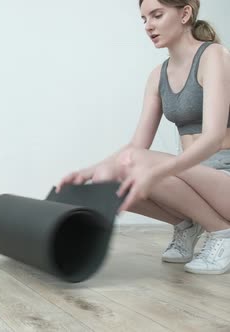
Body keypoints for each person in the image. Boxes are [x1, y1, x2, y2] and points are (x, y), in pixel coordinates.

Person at [56, 0, 230, 275]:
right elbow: (137, 146)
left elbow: (213, 136)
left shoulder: (214, 56)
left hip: (224, 178)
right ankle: (188, 224)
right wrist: (88, 171)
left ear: (185, 13)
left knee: (139, 165)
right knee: (107, 176)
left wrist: (156, 169)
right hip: (194, 177)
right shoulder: (157, 76)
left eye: (157, 15)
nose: (149, 26)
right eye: (144, 19)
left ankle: (222, 232)